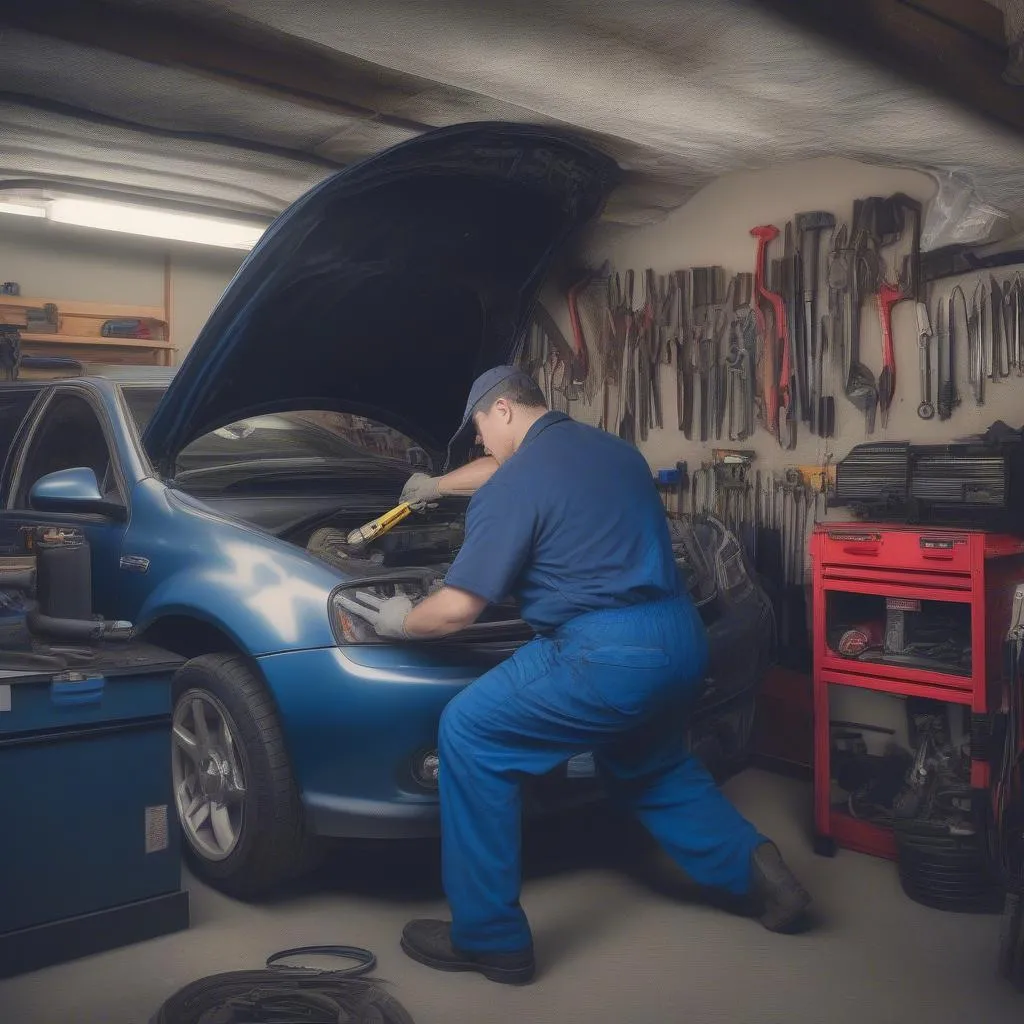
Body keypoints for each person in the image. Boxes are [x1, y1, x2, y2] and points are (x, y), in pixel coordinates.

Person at [366, 365, 810, 985]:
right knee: (647, 762)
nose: (482, 446)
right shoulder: (614, 452)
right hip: (681, 640)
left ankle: (490, 939)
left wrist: (402, 618)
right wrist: (436, 486)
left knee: (469, 731)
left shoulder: (514, 484)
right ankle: (767, 879)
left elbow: (458, 610)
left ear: (501, 412)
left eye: (480, 432)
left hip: (605, 653)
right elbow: (507, 470)